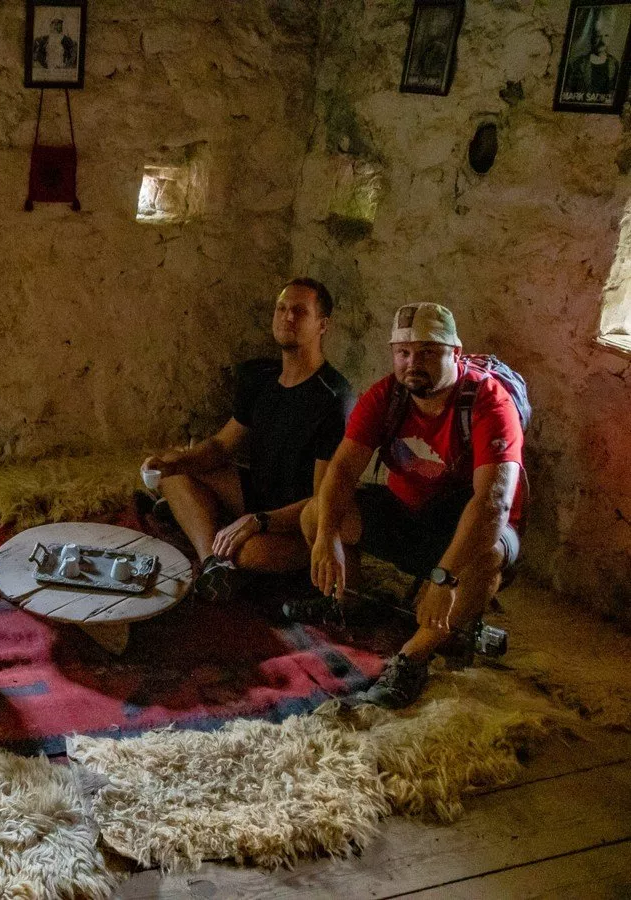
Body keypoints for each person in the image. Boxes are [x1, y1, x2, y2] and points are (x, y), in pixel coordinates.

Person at [297, 302, 523, 709]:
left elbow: (492, 504)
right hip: (408, 513)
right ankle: (348, 601)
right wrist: (326, 537)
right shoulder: (386, 396)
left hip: (463, 526)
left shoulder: (490, 403)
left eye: (427, 352)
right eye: (403, 352)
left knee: (487, 555)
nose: (412, 363)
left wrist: (444, 578)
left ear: (455, 353)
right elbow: (343, 470)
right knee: (317, 513)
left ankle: (412, 658)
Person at [140, 278, 354, 604]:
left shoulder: (333, 398)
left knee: (251, 552)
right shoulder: (261, 378)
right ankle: (213, 563)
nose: (288, 317)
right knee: (176, 472)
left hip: (298, 520)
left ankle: (206, 527)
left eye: (300, 311)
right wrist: (171, 463)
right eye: (281, 309)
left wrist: (257, 522)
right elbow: (221, 447)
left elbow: (321, 501)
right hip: (256, 493)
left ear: (322, 325)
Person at [566, 9, 621, 101]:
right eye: (598, 36)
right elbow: (568, 91)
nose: (602, 41)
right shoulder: (578, 64)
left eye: (606, 36)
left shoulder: (614, 64)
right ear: (592, 38)